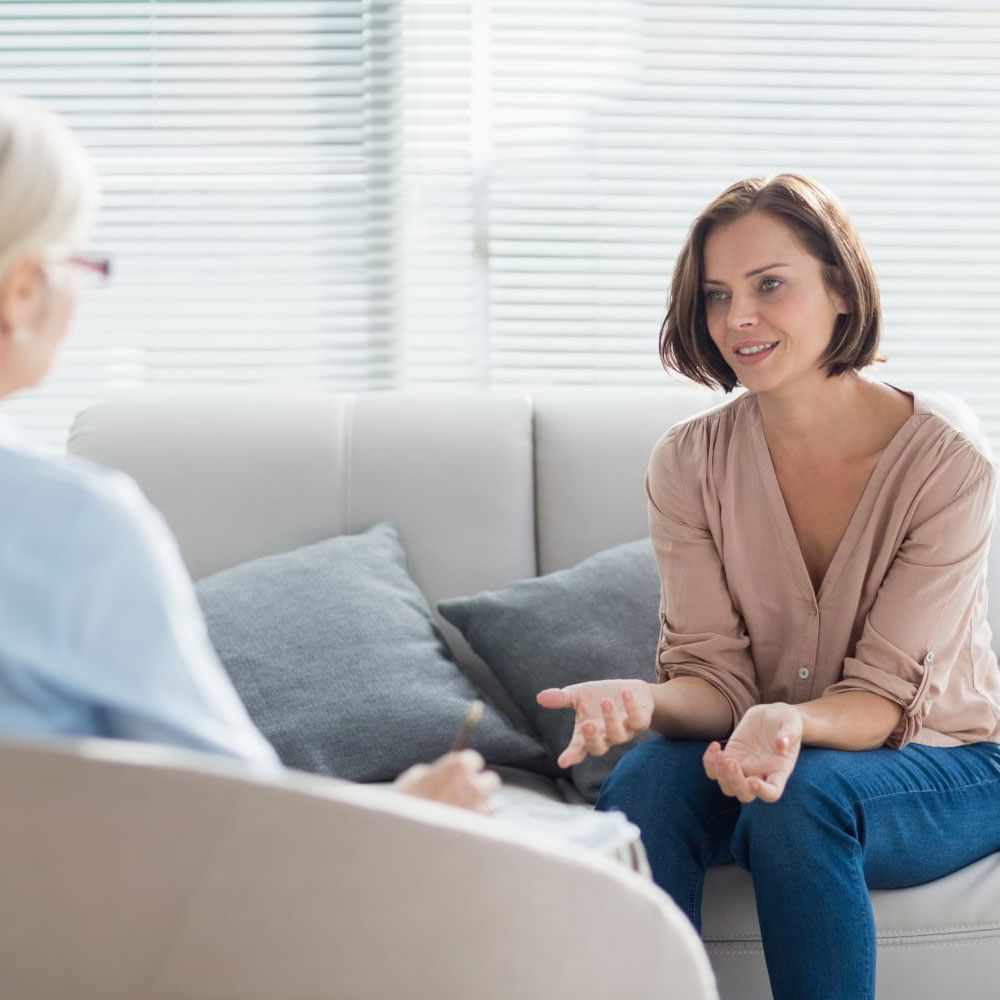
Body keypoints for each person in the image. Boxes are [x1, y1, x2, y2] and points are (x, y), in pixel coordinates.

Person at [538, 173, 1000, 1000]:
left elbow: (884, 702)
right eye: (717, 295)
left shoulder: (948, 465)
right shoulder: (688, 463)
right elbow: (714, 682)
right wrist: (648, 704)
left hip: (944, 763)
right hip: (765, 746)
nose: (737, 318)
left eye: (770, 285)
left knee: (803, 796)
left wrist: (789, 722)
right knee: (644, 780)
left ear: (842, 293)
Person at [0, 94, 499, 814]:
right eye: (80, 261)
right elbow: (237, 834)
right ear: (21, 291)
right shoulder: (71, 529)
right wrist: (408, 814)